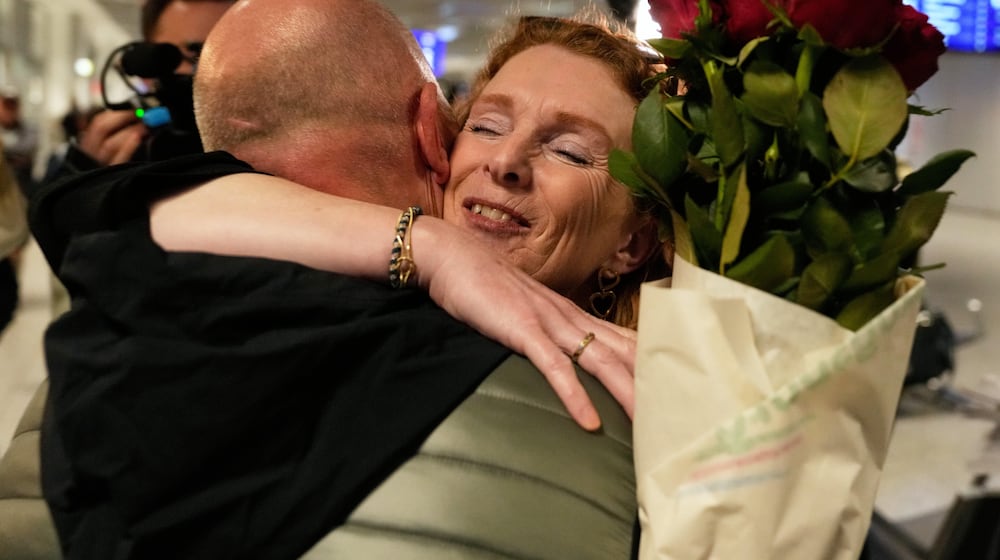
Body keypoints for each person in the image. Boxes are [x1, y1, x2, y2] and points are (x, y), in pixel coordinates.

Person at [8, 1, 668, 558]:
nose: (507, 163)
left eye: (571, 150)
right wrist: (424, 243)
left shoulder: (663, 406)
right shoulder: (271, 310)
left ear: (633, 243)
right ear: (439, 140)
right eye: (487, 126)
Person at [54, 0, 233, 174]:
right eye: (196, 53)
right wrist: (84, 173)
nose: (217, 69)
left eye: (228, 52)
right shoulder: (120, 142)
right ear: (147, 60)